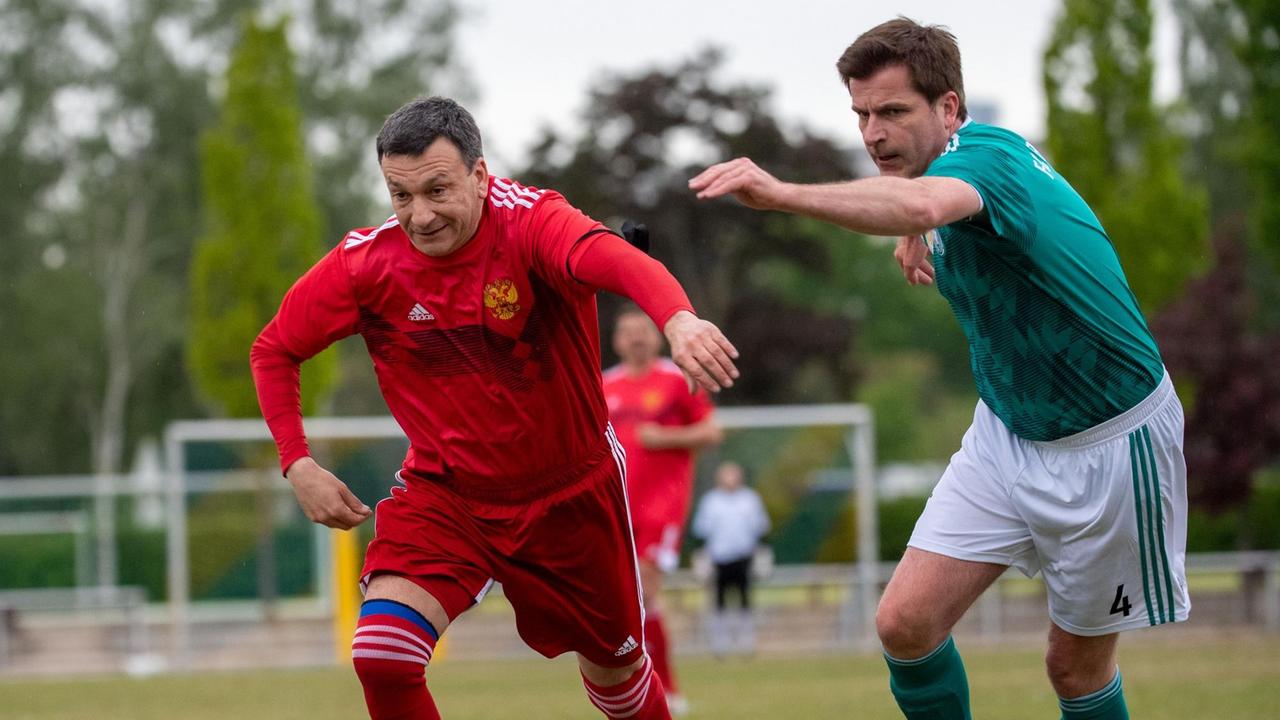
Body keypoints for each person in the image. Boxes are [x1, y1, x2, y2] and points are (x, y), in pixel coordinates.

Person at [689, 18, 1188, 720]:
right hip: (1007, 435)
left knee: (1073, 670)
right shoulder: (939, 177)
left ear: (950, 108)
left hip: (1109, 445)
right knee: (905, 624)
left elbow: (928, 199)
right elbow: (925, 204)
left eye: (892, 112)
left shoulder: (989, 157)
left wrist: (784, 194)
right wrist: (917, 233)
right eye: (860, 114)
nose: (872, 134)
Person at [251, 96, 740, 720]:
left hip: (569, 494)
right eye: (400, 196)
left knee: (617, 681)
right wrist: (297, 464)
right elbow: (274, 350)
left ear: (480, 177)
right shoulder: (367, 264)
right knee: (382, 655)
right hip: (447, 493)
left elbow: (620, 261)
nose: (419, 216)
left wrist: (677, 318)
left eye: (437, 190)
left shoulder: (534, 223)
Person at [604, 306, 723, 713]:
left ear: (656, 337)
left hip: (661, 506)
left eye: (643, 330)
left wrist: (666, 437)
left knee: (645, 591)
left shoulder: (677, 381)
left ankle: (665, 687)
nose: (636, 338)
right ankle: (647, 687)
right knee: (631, 602)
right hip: (614, 506)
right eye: (627, 331)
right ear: (617, 340)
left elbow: (711, 430)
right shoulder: (604, 386)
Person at [690, 461, 770, 657]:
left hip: (744, 556)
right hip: (719, 557)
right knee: (719, 600)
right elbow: (700, 529)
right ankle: (720, 644)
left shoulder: (750, 499)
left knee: (744, 599)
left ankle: (746, 643)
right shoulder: (711, 501)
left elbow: (761, 526)